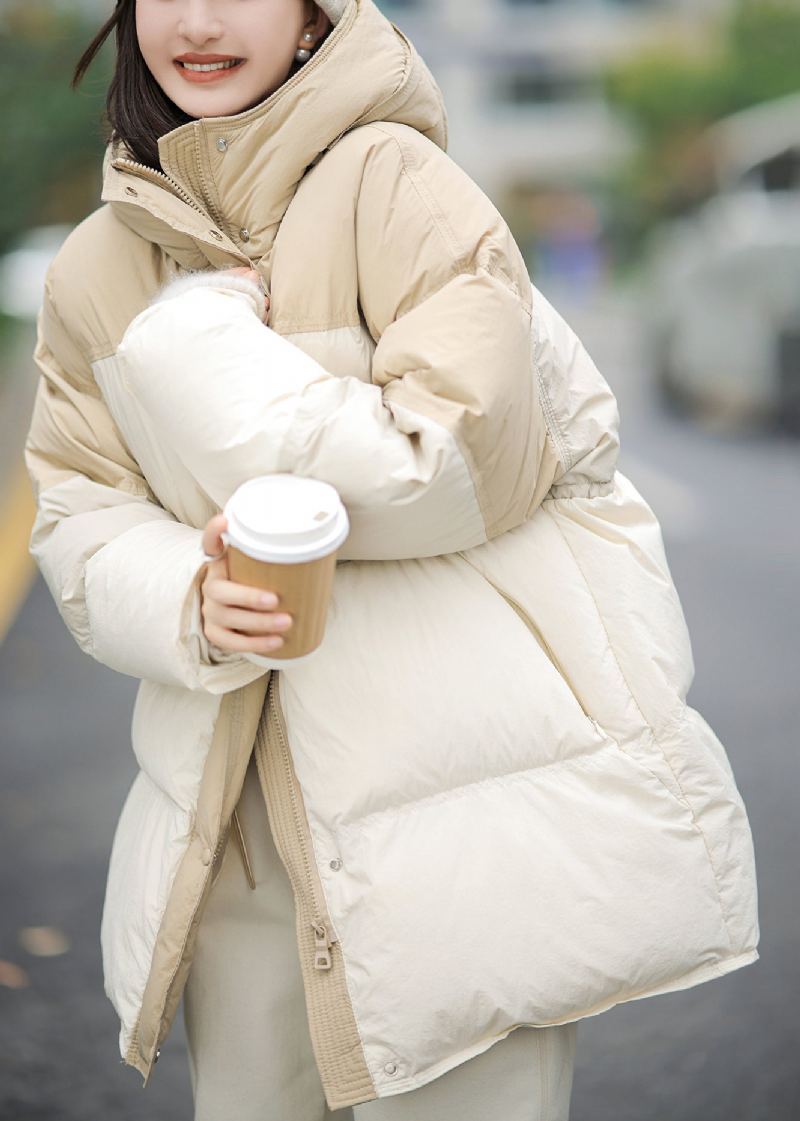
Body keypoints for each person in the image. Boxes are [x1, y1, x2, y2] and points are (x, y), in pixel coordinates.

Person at [23, 1, 760, 1120]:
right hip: (236, 843)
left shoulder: (394, 186)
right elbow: (78, 514)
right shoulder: (96, 267)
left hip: (463, 826)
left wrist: (199, 351)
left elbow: (458, 459)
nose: (202, 18)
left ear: (315, 13)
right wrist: (189, 598)